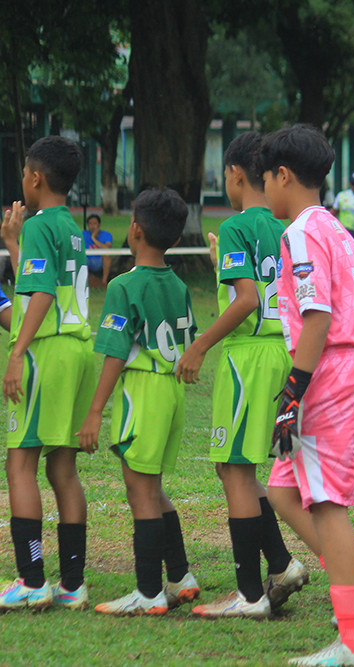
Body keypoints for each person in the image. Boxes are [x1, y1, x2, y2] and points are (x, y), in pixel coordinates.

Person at [260, 125, 354, 667]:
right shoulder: (333, 226)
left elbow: (317, 315)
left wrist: (293, 390)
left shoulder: (301, 233)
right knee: (283, 491)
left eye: (266, 178)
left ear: (283, 175)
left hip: (333, 371)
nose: (266, 189)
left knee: (329, 506)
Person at [173, 132, 306, 619]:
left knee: (236, 468)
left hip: (248, 357)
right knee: (236, 468)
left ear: (234, 174)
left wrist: (200, 346)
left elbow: (248, 300)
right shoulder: (287, 224)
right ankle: (282, 564)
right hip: (285, 353)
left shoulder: (237, 226)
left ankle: (249, 594)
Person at [78, 187, 200, 616]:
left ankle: (148, 594)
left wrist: (94, 412)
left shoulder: (123, 284)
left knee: (139, 491)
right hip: (171, 394)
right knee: (152, 488)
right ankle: (180, 576)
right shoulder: (180, 284)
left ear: (134, 230)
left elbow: (115, 353)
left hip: (144, 393)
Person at [0, 137, 97, 612]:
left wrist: (17, 353)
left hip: (49, 354)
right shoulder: (71, 228)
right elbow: (41, 285)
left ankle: (32, 578)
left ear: (36, 178)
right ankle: (73, 584)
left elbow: (37, 299)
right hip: (79, 351)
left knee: (19, 463)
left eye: (23, 173)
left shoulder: (42, 225)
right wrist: (14, 244)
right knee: (62, 467)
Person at [84, 213, 113, 287]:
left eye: (95, 223)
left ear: (99, 225)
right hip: (88, 260)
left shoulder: (107, 235)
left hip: (100, 260)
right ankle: (86, 282)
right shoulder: (83, 234)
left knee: (107, 256)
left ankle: (104, 282)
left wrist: (93, 238)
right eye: (90, 224)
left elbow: (107, 248)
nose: (92, 226)